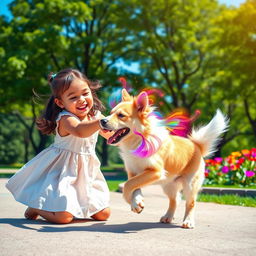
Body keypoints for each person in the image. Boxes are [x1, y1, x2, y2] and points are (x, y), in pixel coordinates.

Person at [6, 68, 113, 224]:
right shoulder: (65, 119)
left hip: (86, 172)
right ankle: (37, 207)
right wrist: (101, 123)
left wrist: (123, 128)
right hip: (63, 172)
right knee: (64, 217)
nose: (82, 99)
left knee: (104, 214)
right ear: (60, 102)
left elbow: (110, 135)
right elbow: (80, 131)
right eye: (73, 97)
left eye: (85, 93)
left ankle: (70, 205)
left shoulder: (96, 116)